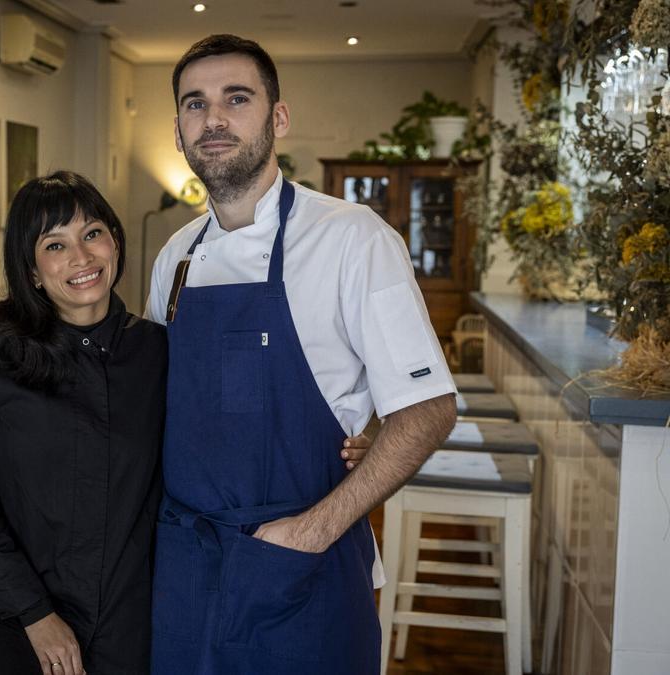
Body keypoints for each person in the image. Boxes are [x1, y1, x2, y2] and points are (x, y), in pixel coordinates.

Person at [0, 172, 373, 675]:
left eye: (93, 233)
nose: (81, 257)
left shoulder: (160, 350)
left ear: (115, 243)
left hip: (129, 618)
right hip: (8, 615)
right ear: (32, 271)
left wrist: (351, 438)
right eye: (55, 245)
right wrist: (36, 615)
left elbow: (228, 423)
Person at [146, 35, 457, 674]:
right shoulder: (173, 257)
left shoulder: (352, 239)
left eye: (237, 98)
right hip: (186, 572)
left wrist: (308, 533)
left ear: (278, 118)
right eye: (195, 105)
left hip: (300, 574)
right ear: (178, 130)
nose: (215, 120)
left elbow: (428, 409)